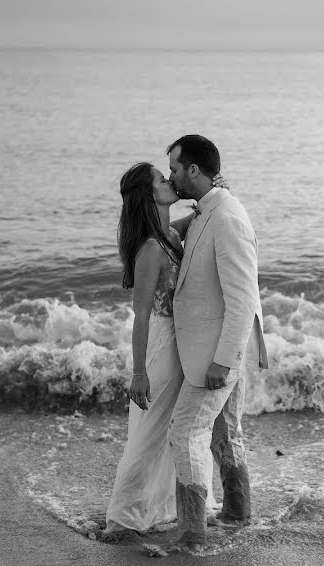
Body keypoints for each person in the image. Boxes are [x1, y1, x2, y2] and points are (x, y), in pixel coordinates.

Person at [102, 161, 220, 541]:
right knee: (150, 433)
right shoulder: (152, 248)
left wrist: (215, 196)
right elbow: (139, 313)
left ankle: (161, 509)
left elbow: (195, 221)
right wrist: (138, 373)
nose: (169, 180)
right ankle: (122, 519)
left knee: (173, 431)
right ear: (150, 194)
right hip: (160, 348)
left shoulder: (168, 233)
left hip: (180, 344)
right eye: (161, 178)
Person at [166, 135, 269, 553]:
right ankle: (237, 514)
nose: (171, 175)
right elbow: (177, 232)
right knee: (224, 433)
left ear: (194, 170)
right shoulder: (212, 207)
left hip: (219, 349)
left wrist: (223, 361)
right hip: (217, 344)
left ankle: (193, 536)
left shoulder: (226, 217)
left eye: (174, 168)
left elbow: (242, 299)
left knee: (185, 431)